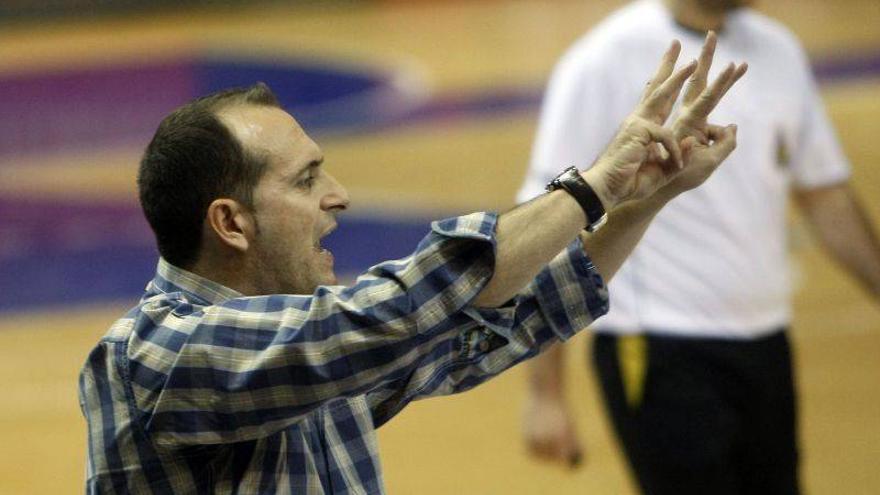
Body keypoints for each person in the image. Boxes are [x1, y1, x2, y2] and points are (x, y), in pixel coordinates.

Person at [78, 37, 744, 493]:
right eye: (307, 178)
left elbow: (496, 324)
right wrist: (589, 186)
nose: (337, 194)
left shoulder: (313, 356)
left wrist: (639, 201)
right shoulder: (154, 356)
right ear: (230, 223)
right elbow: (386, 317)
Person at [519, 1, 880, 494]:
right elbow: (551, 217)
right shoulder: (605, 57)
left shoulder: (779, 50)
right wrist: (546, 393)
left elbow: (825, 193)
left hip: (766, 342)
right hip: (659, 348)